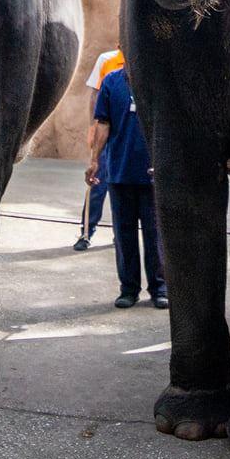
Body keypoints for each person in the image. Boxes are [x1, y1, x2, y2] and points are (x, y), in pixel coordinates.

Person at [88, 62, 166, 309]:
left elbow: (167, 124)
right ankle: (129, 289)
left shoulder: (157, 77)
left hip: (152, 174)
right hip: (119, 172)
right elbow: (102, 123)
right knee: (124, 235)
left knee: (155, 235)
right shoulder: (111, 81)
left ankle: (160, 288)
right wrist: (94, 161)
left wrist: (162, 159)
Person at [73, 48, 124, 251]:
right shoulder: (107, 59)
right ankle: (86, 232)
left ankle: (120, 236)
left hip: (126, 134)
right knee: (96, 184)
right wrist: (92, 128)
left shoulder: (142, 57)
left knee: (122, 187)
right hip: (105, 131)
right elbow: (95, 94)